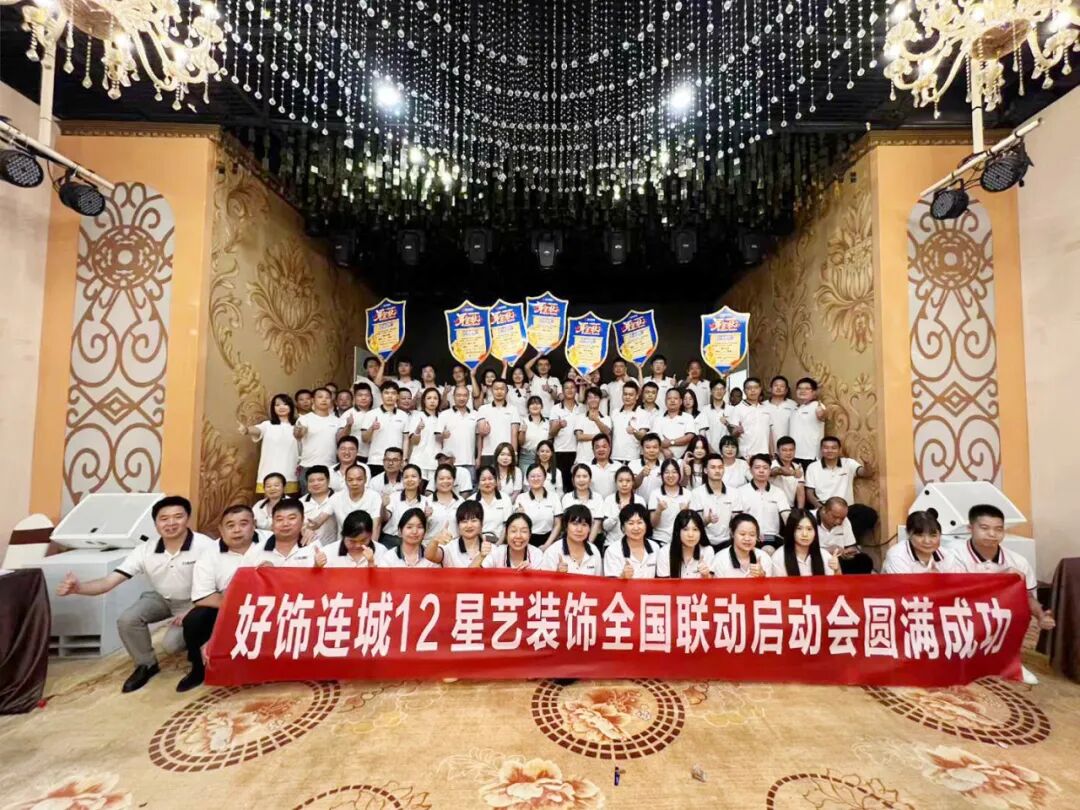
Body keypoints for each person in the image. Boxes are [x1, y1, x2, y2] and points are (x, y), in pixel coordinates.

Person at [56, 496, 216, 693]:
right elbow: (108, 582)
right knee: (128, 620)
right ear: (156, 523)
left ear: (187, 518)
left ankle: (201, 648)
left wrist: (194, 608)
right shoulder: (145, 550)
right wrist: (78, 588)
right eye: (164, 518)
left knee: (172, 645)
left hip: (199, 600)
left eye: (177, 517)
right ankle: (146, 665)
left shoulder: (206, 546)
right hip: (162, 598)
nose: (171, 523)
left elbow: (221, 585)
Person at [178, 505, 263, 691]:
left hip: (267, 605)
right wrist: (238, 605)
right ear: (221, 529)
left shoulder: (271, 541)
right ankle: (198, 669)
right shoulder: (209, 554)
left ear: (254, 524)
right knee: (194, 619)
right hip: (227, 605)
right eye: (230, 525)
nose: (237, 530)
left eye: (243, 524)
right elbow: (202, 596)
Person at [946, 504, 1055, 628]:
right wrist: (1001, 578)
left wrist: (1041, 616)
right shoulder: (952, 557)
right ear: (970, 528)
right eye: (984, 528)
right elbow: (955, 593)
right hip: (964, 622)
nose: (992, 534)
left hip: (1004, 623)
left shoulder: (1018, 561)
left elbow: (1028, 596)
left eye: (998, 529)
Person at [239, 393, 300, 496]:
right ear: (273, 408)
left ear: (291, 406)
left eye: (285, 404)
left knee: (288, 502)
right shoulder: (267, 425)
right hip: (269, 471)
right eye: (277, 405)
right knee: (270, 501)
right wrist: (246, 430)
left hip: (290, 471)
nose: (281, 407)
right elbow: (257, 430)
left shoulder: (298, 425)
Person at [734, 454, 791, 549]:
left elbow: (786, 516)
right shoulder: (740, 492)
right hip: (747, 536)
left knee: (770, 549)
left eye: (765, 468)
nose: (761, 471)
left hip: (771, 537)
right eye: (757, 467)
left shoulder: (778, 492)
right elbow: (735, 519)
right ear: (750, 470)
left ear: (770, 470)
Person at [250, 498, 327, 567]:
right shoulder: (257, 550)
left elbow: (324, 576)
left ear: (302, 520)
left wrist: (316, 567)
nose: (285, 524)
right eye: (279, 519)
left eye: (291, 518)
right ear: (272, 522)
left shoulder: (313, 546)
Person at [321, 463, 382, 545]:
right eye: (350, 480)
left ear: (366, 479)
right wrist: (313, 524)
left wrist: (372, 546)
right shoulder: (336, 497)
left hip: (365, 543)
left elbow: (376, 525)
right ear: (345, 480)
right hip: (343, 544)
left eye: (359, 479)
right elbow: (321, 517)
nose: (354, 483)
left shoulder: (374, 496)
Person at [360, 381, 412, 477]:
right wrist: (372, 428)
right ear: (381, 395)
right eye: (386, 393)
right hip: (376, 461)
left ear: (397, 396)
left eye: (393, 393)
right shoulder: (371, 414)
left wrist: (404, 459)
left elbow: (405, 439)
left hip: (397, 462)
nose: (390, 396)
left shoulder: (403, 415)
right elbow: (364, 439)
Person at [293, 388, 341, 490]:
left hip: (330, 466)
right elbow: (299, 434)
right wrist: (298, 432)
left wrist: (348, 426)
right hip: (308, 466)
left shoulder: (337, 421)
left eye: (327, 397)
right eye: (320, 397)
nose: (324, 400)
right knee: (309, 498)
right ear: (313, 400)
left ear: (331, 400)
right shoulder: (304, 419)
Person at [804, 436, 870, 508]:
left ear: (839, 450)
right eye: (826, 448)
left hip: (846, 508)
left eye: (833, 448)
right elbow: (809, 493)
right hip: (823, 506)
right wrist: (822, 509)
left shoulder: (848, 463)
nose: (830, 450)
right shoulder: (812, 467)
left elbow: (866, 473)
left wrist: (867, 463)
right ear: (821, 449)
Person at [883, 510, 957, 574]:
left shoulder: (946, 556)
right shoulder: (897, 555)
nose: (927, 541)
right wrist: (930, 578)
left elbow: (953, 584)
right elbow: (902, 585)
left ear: (940, 535)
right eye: (920, 535)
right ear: (908, 533)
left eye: (933, 535)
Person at [540, 503, 604, 575]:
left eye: (584, 525)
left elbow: (597, 580)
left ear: (589, 528)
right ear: (566, 526)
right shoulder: (552, 552)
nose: (579, 529)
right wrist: (557, 575)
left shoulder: (594, 551)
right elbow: (544, 581)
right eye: (575, 524)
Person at [690, 454, 739, 549]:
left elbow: (736, 521)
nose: (717, 471)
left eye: (720, 467)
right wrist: (707, 520)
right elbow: (695, 524)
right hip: (703, 541)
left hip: (727, 542)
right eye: (713, 467)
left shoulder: (734, 493)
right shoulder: (697, 493)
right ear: (705, 470)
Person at [816, 497, 874, 574]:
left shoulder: (845, 521)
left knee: (864, 561)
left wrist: (849, 552)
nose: (838, 522)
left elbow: (851, 545)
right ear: (824, 510)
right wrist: (827, 550)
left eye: (842, 519)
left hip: (839, 559)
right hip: (817, 557)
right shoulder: (809, 518)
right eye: (835, 517)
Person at [437, 385, 480, 485]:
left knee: (470, 489)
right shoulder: (444, 414)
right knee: (449, 488)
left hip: (469, 461)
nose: (462, 398)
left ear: (469, 397)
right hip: (450, 462)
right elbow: (437, 437)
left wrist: (478, 458)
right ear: (453, 396)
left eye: (465, 395)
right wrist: (442, 435)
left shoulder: (475, 414)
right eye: (459, 395)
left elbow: (479, 438)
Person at [778, 509, 840, 577]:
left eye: (809, 529)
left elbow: (835, 583)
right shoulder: (779, 557)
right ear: (791, 530)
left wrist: (836, 570)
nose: (805, 534)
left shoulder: (825, 555)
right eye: (799, 528)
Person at [710, 514, 775, 578]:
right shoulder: (720, 559)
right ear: (732, 533)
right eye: (742, 534)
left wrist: (762, 576)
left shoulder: (764, 558)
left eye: (752, 535)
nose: (747, 539)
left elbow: (770, 584)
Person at [426, 500, 489, 567]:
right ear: (458, 525)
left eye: (474, 521)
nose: (469, 525)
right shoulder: (450, 547)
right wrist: (435, 540)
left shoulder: (492, 549)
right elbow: (429, 556)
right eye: (464, 521)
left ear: (481, 523)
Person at [604, 502, 659, 578]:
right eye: (631, 523)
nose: (636, 528)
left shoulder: (655, 547)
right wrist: (622, 577)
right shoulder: (613, 550)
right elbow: (610, 583)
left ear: (646, 525)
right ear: (623, 527)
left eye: (639, 522)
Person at [382, 464, 430, 549]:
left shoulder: (426, 501)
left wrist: (427, 516)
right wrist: (383, 507)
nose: (410, 480)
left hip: (415, 541)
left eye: (413, 476)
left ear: (420, 480)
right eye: (406, 477)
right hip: (391, 540)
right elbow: (385, 517)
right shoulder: (394, 496)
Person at [514, 464, 563, 547]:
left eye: (539, 476)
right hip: (526, 540)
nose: (536, 479)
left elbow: (557, 524)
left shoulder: (554, 497)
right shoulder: (521, 498)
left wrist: (546, 545)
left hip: (549, 540)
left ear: (545, 477)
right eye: (532, 476)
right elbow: (519, 524)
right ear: (527, 479)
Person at [656, 510, 714, 578]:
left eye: (695, 529)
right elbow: (663, 583)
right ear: (677, 532)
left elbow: (711, 583)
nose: (691, 534)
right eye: (685, 529)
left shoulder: (707, 551)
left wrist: (706, 575)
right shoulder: (664, 552)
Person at [648, 458, 694, 545]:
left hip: (681, 540)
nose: (670, 475)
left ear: (679, 474)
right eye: (666, 472)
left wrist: (685, 513)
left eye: (674, 472)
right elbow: (653, 524)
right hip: (659, 539)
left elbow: (692, 524)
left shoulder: (688, 494)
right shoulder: (655, 494)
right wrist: (659, 510)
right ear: (661, 475)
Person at [476, 378, 520, 467]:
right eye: (496, 389)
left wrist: (514, 453)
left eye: (502, 389)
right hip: (487, 453)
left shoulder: (513, 409)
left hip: (507, 454)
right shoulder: (483, 409)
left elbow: (514, 434)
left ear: (507, 391)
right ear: (491, 390)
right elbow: (480, 435)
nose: (499, 391)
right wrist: (479, 456)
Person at [727, 377, 772, 459]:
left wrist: (771, 452)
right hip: (746, 455)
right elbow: (732, 434)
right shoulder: (737, 408)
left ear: (760, 389)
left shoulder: (766, 408)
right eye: (749, 388)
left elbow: (770, 432)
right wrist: (737, 431)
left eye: (756, 387)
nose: (753, 390)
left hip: (764, 454)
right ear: (744, 391)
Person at [549, 379, 582, 486]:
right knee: (561, 485)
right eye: (566, 388)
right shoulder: (555, 409)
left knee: (576, 484)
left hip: (579, 452)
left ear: (576, 390)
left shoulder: (582, 408)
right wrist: (559, 425)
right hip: (560, 451)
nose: (570, 390)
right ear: (562, 391)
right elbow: (551, 433)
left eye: (572, 387)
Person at [602, 466, 645, 546]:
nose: (624, 484)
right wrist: (619, 513)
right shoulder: (609, 499)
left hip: (635, 543)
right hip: (612, 544)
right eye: (620, 481)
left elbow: (644, 525)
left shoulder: (640, 500)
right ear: (616, 482)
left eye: (628, 481)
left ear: (633, 482)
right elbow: (605, 527)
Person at [561, 464, 604, 544]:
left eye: (585, 476)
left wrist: (588, 544)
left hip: (593, 539)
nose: (581, 480)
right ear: (573, 480)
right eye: (578, 476)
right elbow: (567, 523)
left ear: (590, 480)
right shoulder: (567, 498)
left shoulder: (598, 498)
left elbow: (597, 523)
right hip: (572, 539)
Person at [790, 377, 827, 468]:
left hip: (810, 456)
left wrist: (821, 413)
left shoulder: (817, 406)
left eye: (807, 388)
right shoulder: (795, 409)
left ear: (814, 392)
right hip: (794, 454)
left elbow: (822, 415)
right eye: (800, 388)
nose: (802, 391)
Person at [409, 387, 443, 480]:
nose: (432, 401)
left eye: (435, 398)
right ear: (423, 401)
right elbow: (413, 441)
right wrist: (418, 430)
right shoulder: (417, 416)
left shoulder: (443, 417)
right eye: (429, 398)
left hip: (436, 462)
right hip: (419, 461)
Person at [573, 386, 612, 466]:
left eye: (596, 397)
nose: (593, 400)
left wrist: (596, 420)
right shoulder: (580, 417)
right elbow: (579, 436)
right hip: (582, 459)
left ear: (600, 399)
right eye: (590, 397)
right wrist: (599, 436)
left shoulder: (606, 418)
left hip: (600, 461)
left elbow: (607, 432)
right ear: (586, 400)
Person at [300, 465, 337, 546]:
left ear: (328, 481)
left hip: (335, 547)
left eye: (320, 480)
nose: (316, 483)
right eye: (311, 481)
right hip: (308, 547)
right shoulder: (300, 503)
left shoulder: (338, 498)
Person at [425, 463, 463, 541]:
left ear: (454, 480)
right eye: (441, 479)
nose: (445, 481)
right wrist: (424, 517)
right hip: (431, 545)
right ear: (435, 481)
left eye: (449, 478)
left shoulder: (461, 501)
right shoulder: (426, 502)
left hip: (455, 545)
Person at [655, 388, 696, 460]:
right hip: (661, 458)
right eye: (669, 398)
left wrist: (671, 442)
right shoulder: (658, 418)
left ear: (680, 401)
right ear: (665, 401)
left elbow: (689, 436)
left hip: (683, 460)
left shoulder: (688, 417)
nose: (672, 401)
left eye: (675, 398)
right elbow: (654, 438)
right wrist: (663, 450)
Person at [339, 381, 375, 462]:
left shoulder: (376, 413)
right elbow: (340, 438)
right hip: (354, 455)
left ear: (371, 398)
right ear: (354, 398)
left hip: (372, 456)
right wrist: (348, 425)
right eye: (360, 395)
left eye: (367, 395)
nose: (363, 398)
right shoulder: (348, 414)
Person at [473, 466, 512, 540]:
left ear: (496, 481)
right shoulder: (471, 500)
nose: (487, 482)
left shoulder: (505, 498)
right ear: (478, 483)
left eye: (490, 479)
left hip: (500, 540)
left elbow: (507, 525)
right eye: (483, 480)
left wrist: (498, 544)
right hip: (477, 540)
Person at [609, 380, 644, 464]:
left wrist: (634, 431)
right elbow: (610, 434)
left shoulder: (642, 413)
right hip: (615, 457)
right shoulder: (615, 412)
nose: (627, 397)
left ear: (637, 396)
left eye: (631, 395)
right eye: (625, 394)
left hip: (633, 458)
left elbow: (643, 436)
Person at [518, 395, 553, 474]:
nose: (535, 406)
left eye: (537, 403)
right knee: (527, 480)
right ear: (528, 407)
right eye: (532, 404)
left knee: (542, 479)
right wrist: (523, 432)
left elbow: (550, 442)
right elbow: (520, 443)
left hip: (543, 457)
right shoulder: (523, 421)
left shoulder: (547, 423)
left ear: (542, 406)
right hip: (527, 457)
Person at [770, 436, 806, 509]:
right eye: (784, 450)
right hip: (773, 506)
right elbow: (777, 470)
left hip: (790, 506)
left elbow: (800, 491)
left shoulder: (798, 467)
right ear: (778, 451)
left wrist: (800, 510)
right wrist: (793, 473)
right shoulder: (772, 464)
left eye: (791, 450)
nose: (788, 453)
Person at [762, 375, 797, 447]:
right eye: (776, 385)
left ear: (786, 390)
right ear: (770, 389)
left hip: (787, 446)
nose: (778, 388)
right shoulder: (762, 406)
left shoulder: (793, 405)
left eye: (782, 386)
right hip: (766, 445)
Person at [630, 433, 664, 503]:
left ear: (660, 448)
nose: (651, 450)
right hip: (637, 505)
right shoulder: (633, 464)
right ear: (642, 449)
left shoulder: (664, 465)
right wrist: (642, 474)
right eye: (648, 447)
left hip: (658, 505)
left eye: (655, 447)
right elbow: (631, 486)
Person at [699, 378, 730, 443]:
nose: (719, 391)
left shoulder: (732, 409)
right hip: (709, 447)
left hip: (727, 447)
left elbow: (735, 432)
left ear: (725, 391)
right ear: (711, 391)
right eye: (716, 389)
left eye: (721, 389)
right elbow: (702, 432)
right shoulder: (705, 410)